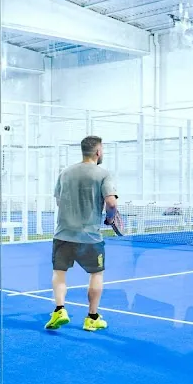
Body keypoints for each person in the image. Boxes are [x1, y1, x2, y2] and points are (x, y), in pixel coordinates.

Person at [45, 136, 118, 332]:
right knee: (96, 274)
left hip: (63, 235)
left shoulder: (65, 173)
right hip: (90, 237)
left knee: (59, 273)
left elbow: (59, 201)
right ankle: (92, 318)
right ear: (98, 152)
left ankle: (59, 310)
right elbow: (111, 203)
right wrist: (110, 218)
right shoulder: (103, 174)